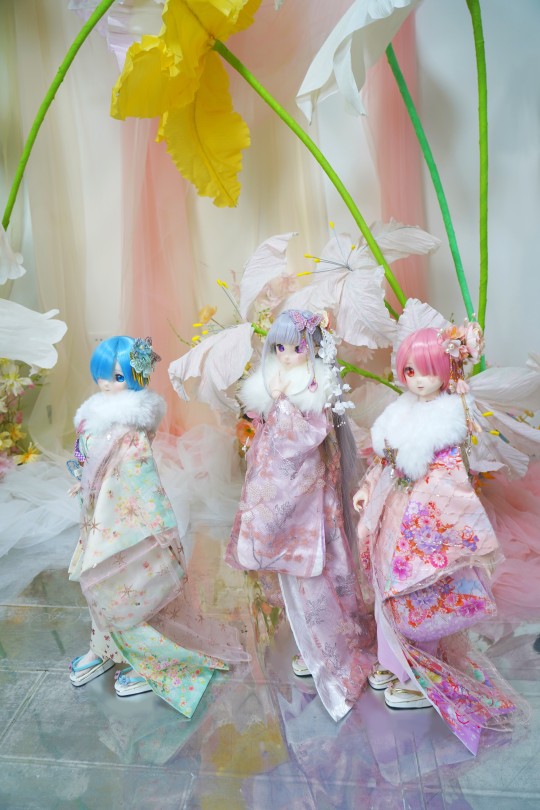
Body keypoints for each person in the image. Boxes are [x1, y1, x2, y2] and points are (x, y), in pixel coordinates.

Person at [354, 325, 524, 754]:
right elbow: (384, 464)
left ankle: (419, 675)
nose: (417, 380)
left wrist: (422, 523)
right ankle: (396, 663)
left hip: (423, 526)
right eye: (410, 370)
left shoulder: (447, 422)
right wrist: (368, 489)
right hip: (392, 516)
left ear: (447, 370)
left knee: (420, 597)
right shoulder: (399, 412)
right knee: (386, 593)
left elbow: (449, 483)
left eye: (428, 370)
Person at [68, 335, 248, 717]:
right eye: (104, 375)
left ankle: (149, 659)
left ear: (135, 377)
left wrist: (137, 515)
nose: (108, 383)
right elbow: (87, 461)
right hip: (97, 516)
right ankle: (103, 648)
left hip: (124, 522)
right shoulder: (95, 416)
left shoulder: (131, 428)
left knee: (129, 589)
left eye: (118, 377)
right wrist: (83, 482)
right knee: (99, 587)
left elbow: (140, 479)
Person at [225, 310, 373, 722]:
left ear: (312, 348)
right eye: (280, 347)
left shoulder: (313, 387)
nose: (288, 355)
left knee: (317, 568)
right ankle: (311, 641)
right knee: (298, 574)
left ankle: (328, 645)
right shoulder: (275, 382)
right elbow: (266, 444)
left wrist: (282, 403)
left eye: (297, 347)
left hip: (306, 494)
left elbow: (305, 440)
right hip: (280, 491)